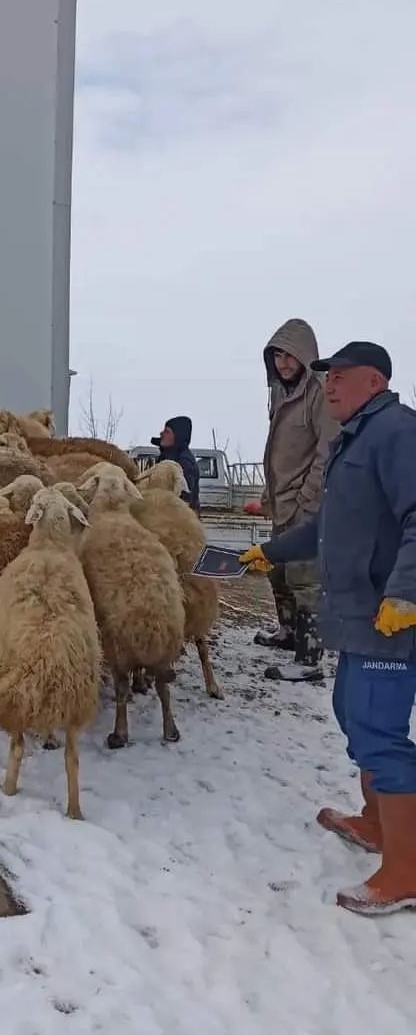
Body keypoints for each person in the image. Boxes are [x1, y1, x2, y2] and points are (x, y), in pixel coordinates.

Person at [239, 342, 416, 916]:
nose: (329, 386)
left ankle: (407, 870)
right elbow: (328, 525)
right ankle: (377, 823)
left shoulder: (396, 433)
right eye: (326, 377)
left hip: (391, 618)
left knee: (378, 732)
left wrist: (406, 593)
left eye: (338, 377)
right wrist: (271, 550)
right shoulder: (354, 440)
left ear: (373, 380)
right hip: (359, 616)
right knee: (352, 715)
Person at [254, 319, 339, 680]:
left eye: (290, 356)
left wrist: (308, 499)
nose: (284, 363)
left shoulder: (319, 392)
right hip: (282, 499)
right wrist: (268, 492)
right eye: (277, 355)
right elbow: (278, 448)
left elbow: (326, 452)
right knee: (279, 573)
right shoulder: (280, 391)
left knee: (305, 579)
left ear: (306, 356)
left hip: (305, 503)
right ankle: (288, 633)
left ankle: (309, 658)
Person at [151, 416, 200, 513]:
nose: (161, 433)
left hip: (178, 521)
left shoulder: (184, 462)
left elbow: (184, 500)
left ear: (178, 437)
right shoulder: (168, 456)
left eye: (167, 431)